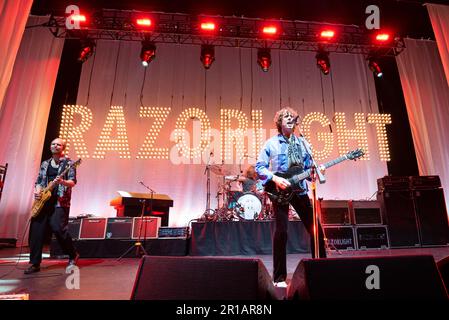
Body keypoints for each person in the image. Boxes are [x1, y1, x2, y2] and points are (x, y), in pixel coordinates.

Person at [255, 107, 327, 288]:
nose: (290, 119)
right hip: (280, 190)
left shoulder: (303, 143)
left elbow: (309, 171)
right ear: (279, 122)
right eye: (285, 117)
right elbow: (259, 168)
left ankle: (322, 268)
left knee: (315, 229)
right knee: (281, 232)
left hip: (301, 190)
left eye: (292, 117)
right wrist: (276, 178)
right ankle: (279, 278)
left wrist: (317, 170)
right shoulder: (271, 143)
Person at [25, 138, 79, 274]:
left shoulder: (69, 163)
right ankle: (35, 263)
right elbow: (38, 181)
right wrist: (37, 192)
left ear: (63, 148)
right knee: (36, 231)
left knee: (58, 229)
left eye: (58, 144)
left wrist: (62, 182)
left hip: (60, 202)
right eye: (53, 144)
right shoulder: (45, 163)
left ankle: (73, 254)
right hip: (43, 201)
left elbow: (72, 182)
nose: (55, 146)